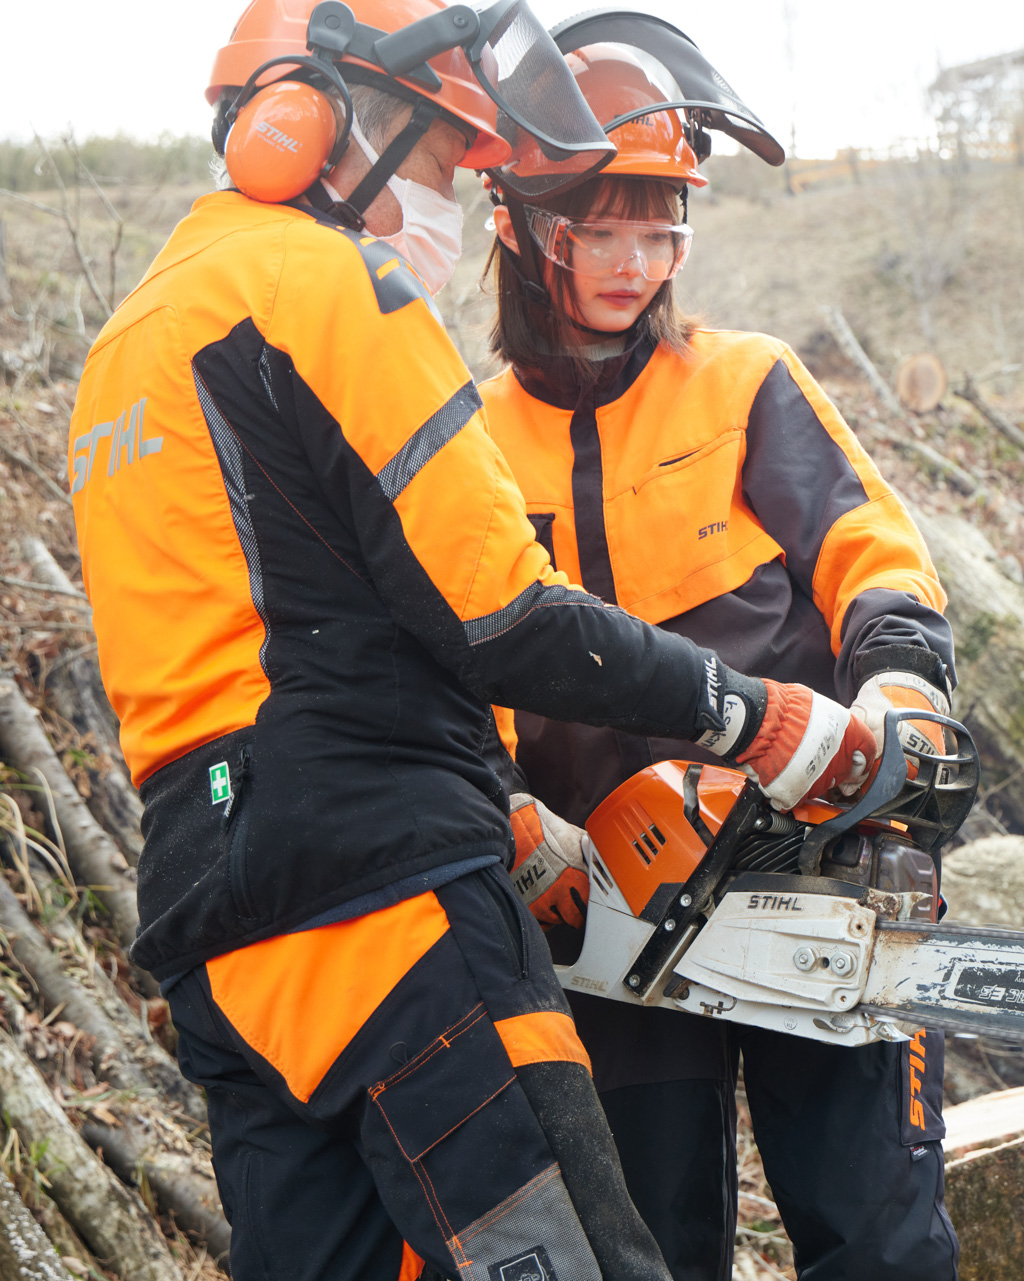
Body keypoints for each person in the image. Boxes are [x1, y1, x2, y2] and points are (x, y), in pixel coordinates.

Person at [65, 3, 876, 1278]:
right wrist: (754, 714)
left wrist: (509, 810)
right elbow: (502, 606)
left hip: (213, 912)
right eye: (448, 160)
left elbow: (285, 626)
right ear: (321, 122)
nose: (452, 195)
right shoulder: (325, 279)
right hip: (389, 903)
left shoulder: (126, 345)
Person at [477, 12, 959, 1280]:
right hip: (607, 915)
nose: (636, 261)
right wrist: (515, 833)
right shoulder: (467, 442)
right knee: (658, 1247)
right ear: (527, 224)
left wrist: (902, 687)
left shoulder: (743, 380)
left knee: (878, 1241)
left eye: (661, 226)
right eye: (604, 228)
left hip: (809, 860)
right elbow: (443, 666)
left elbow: (871, 549)